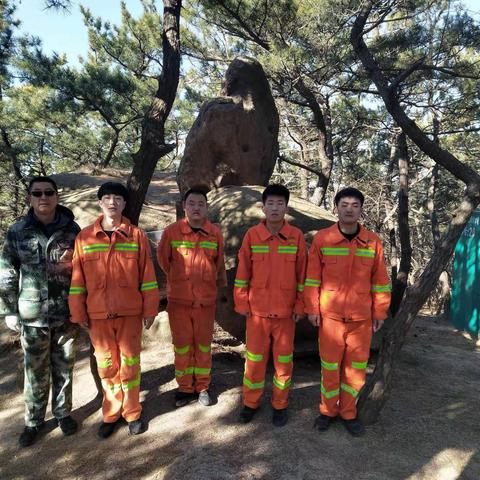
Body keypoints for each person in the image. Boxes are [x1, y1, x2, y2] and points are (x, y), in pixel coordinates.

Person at [68, 182, 159, 438]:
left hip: (129, 313)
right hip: (98, 316)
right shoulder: (84, 237)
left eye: (118, 198)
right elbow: (77, 280)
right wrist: (78, 312)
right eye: (107, 197)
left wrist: (150, 309)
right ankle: (111, 413)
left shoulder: (136, 236)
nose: (112, 202)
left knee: (130, 364)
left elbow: (147, 277)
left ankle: (132, 412)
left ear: (124, 204)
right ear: (100, 202)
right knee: (106, 366)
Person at [0, 176, 80, 447]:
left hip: (67, 313)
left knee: (65, 368)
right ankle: (33, 421)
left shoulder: (73, 230)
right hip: (32, 315)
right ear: (30, 198)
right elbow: (6, 271)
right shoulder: (18, 230)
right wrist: (9, 310)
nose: (43, 197)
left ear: (56, 196)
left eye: (48, 192)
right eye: (37, 193)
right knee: (34, 371)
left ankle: (63, 413)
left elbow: (85, 271)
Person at [304, 187, 391, 436]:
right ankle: (327, 411)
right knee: (330, 368)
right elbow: (312, 278)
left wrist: (380, 312)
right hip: (330, 318)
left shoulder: (372, 241)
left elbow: (381, 280)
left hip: (361, 319)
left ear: (361, 209)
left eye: (355, 205)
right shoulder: (323, 238)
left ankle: (348, 413)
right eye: (344, 204)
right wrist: (312, 308)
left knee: (355, 371)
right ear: (337, 208)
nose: (349, 208)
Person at [234, 184, 307, 427]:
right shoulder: (252, 236)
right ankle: (250, 403)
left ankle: (280, 404)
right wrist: (241, 301)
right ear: (263, 207)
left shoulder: (295, 236)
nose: (275, 208)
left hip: (286, 314)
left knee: (283, 362)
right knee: (254, 361)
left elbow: (303, 275)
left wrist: (299, 306)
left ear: (286, 207)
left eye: (280, 203)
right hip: (257, 313)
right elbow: (242, 272)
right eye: (270, 204)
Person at [157, 186, 226, 408]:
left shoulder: (215, 233)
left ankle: (203, 387)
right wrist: (180, 279)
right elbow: (164, 261)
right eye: (192, 203)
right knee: (183, 346)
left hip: (205, 302)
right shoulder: (171, 232)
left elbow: (219, 264)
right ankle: (185, 388)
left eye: (201, 204)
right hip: (179, 301)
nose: (196, 208)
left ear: (206, 208)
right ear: (184, 207)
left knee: (204, 346)